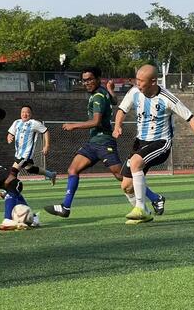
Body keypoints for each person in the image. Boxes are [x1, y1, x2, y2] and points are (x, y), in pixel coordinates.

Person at [45, 66, 163, 218]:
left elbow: (96, 121)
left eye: (90, 79)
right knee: (72, 169)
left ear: (97, 79)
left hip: (104, 142)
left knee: (122, 177)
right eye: (84, 80)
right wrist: (111, 89)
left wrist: (73, 125)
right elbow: (114, 101)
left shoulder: (98, 96)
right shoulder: (101, 92)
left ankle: (156, 198)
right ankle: (65, 207)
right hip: (93, 142)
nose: (86, 83)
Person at [114, 64, 194, 224]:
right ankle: (148, 212)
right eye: (137, 80)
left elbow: (190, 117)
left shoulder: (168, 98)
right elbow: (122, 109)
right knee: (126, 186)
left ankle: (141, 208)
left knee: (136, 162)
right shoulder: (134, 92)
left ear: (153, 81)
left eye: (141, 81)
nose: (138, 84)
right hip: (140, 142)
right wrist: (117, 125)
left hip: (161, 143)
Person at [7, 105, 57, 184]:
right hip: (18, 153)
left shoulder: (34, 123)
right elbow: (10, 133)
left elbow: (46, 131)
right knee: (30, 169)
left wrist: (46, 145)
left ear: (31, 114)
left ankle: (8, 191)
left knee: (13, 171)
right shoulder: (16, 122)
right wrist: (9, 137)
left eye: (27, 112)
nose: (25, 114)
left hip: (26, 154)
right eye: (23, 112)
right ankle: (51, 174)